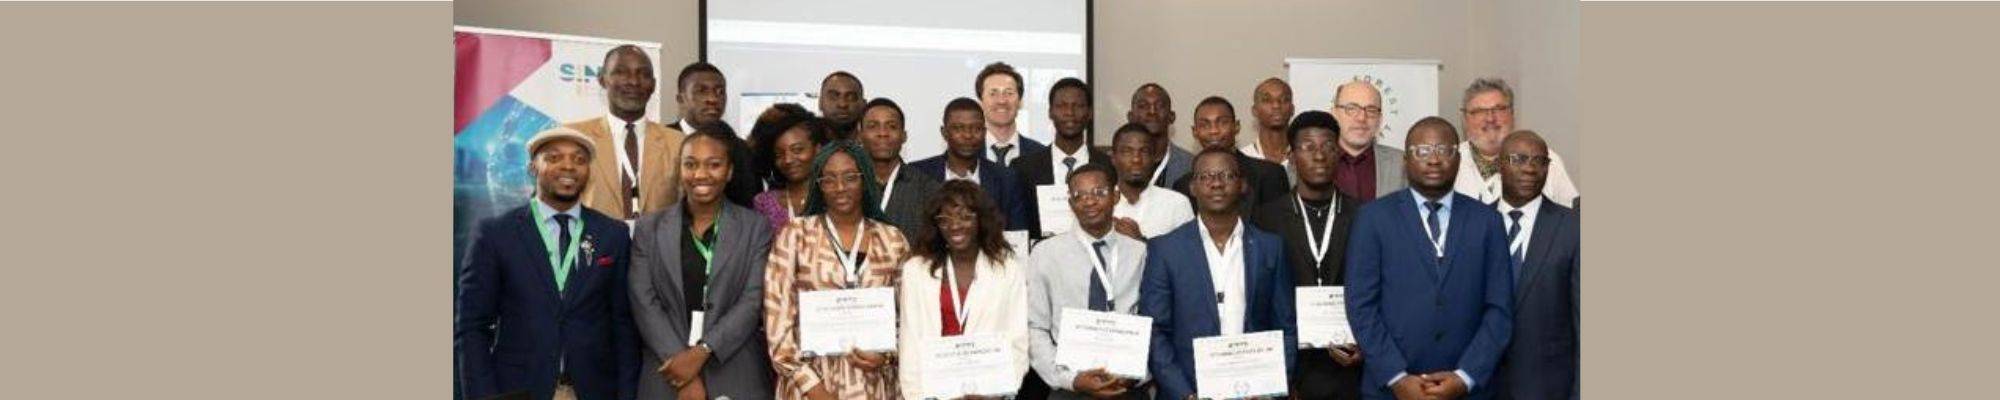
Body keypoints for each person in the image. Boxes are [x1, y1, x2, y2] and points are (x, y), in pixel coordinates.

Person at [457, 127, 637, 400]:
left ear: (589, 170)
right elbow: (472, 327)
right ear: (533, 167)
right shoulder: (495, 234)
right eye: (554, 158)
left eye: (579, 159)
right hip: (519, 389)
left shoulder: (613, 234)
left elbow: (623, 324)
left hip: (595, 389)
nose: (568, 166)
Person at [1345, 117, 1513, 400]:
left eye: (1444, 151)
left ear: (1458, 159)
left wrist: (1466, 377)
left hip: (1467, 390)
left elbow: (1500, 310)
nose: (1434, 160)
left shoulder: (1488, 221)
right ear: (1405, 160)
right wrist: (1396, 378)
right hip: (1391, 390)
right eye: (1422, 151)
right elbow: (1361, 306)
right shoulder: (1373, 218)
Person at [1140, 149, 1299, 400]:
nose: (1216, 183)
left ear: (1242, 184)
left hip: (1255, 392)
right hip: (1189, 392)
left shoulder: (1271, 247)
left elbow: (1286, 326)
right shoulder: (1165, 249)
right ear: (1192, 187)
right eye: (1206, 176)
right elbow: (1155, 330)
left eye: (1226, 175)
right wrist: (1184, 393)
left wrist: (1273, 387)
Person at [629, 131, 776, 400]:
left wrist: (703, 351)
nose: (701, 174)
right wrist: (682, 368)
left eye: (714, 164)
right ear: (680, 169)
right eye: (691, 164)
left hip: (734, 368)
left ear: (729, 171)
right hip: (666, 371)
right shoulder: (649, 228)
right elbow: (643, 300)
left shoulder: (755, 227)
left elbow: (752, 300)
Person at [762, 140, 913, 399]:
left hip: (874, 384)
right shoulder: (795, 236)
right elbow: (777, 318)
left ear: (865, 180)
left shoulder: (892, 240)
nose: (840, 188)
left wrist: (887, 356)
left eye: (850, 178)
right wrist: (813, 388)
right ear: (818, 186)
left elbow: (909, 318)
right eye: (829, 179)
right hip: (809, 386)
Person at [1247, 111, 1364, 399]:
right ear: (1291, 154)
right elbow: (1259, 297)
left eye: (1327, 146)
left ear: (1339, 152)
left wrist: (1365, 344)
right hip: (1292, 369)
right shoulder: (1265, 218)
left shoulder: (1365, 215)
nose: (1319, 155)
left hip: (1352, 365)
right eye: (1308, 147)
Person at [897, 181, 1032, 399]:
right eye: (945, 219)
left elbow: (1017, 340)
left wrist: (993, 393)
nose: (955, 226)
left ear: (982, 220)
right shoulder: (916, 271)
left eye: (965, 217)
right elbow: (910, 343)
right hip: (933, 393)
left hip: (989, 392)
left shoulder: (1008, 270)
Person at [1027, 163, 1150, 400]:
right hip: (1069, 389)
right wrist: (1069, 379)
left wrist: (1137, 374)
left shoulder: (1140, 253)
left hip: (1128, 385)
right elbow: (1035, 327)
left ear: (1115, 196)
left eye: (1099, 193)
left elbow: (1156, 323)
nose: (1089, 201)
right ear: (1070, 203)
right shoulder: (1045, 254)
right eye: (1079, 195)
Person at [1489, 131, 1580, 400]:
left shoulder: (1573, 227)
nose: (1530, 168)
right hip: (1482, 386)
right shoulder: (1474, 224)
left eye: (1540, 161)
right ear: (1499, 165)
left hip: (1548, 387)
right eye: (1519, 159)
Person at [565, 45, 683, 221]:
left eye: (643, 74)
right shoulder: (574, 138)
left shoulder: (679, 143)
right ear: (602, 79)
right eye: (621, 72)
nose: (633, 82)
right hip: (594, 245)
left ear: (653, 85)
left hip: (656, 247)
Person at [910, 97, 1033, 232]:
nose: (968, 135)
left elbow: (1017, 237)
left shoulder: (1007, 179)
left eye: (976, 128)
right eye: (958, 128)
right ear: (944, 133)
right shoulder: (918, 174)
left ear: (985, 132)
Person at [1453, 78, 1579, 207]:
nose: (1490, 118)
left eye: (1499, 109)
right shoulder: (1449, 161)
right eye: (1479, 111)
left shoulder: (1547, 161)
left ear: (1512, 114)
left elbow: (1571, 216)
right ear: (1465, 119)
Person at [1012, 78, 1111, 237]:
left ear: (1090, 113)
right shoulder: (1023, 168)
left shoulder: (1108, 165)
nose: (1070, 113)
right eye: (1062, 106)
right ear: (1050, 112)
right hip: (1040, 257)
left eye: (1078, 106)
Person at [1172, 96, 1290, 215]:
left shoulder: (1270, 175)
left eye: (1222, 123)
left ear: (1236, 126)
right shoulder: (1183, 185)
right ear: (1194, 132)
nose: (1214, 131)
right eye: (1205, 125)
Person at [671, 62, 763, 208]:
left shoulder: (741, 149)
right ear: (680, 99)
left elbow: (750, 203)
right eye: (701, 91)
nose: (713, 99)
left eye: (720, 92)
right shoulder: (660, 142)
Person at [856, 97, 945, 237]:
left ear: (904, 136)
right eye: (873, 126)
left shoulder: (928, 189)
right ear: (860, 136)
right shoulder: (845, 185)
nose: (883, 133)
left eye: (891, 126)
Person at [1106, 122, 1194, 240]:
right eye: (1127, 151)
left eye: (1144, 151)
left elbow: (1187, 254)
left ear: (1154, 158)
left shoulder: (1176, 204)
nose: (1136, 159)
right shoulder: (1096, 203)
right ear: (1113, 158)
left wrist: (1141, 242)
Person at [751, 107, 830, 234]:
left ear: (818, 149)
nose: (788, 160)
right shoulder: (764, 203)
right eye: (779, 154)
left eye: (797, 150)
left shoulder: (836, 195)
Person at [1327, 80, 1407, 201]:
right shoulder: (1311, 161)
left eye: (1371, 110)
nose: (1361, 118)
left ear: (1380, 119)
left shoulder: (1402, 164)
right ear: (1334, 114)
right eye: (1352, 108)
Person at [976, 62, 1047, 166]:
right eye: (993, 94)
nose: (1001, 101)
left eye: (1009, 93)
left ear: (1019, 101)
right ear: (981, 102)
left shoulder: (1042, 155)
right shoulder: (965, 153)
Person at [1128, 83, 1192, 187]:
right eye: (1143, 106)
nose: (1152, 112)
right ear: (1130, 117)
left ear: (1172, 116)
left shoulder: (1190, 164)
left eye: (1160, 106)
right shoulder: (1114, 165)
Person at [1243, 78, 1297, 171]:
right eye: (1267, 100)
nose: (1276, 105)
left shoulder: (1302, 157)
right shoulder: (1243, 158)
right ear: (1254, 110)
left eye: (1284, 99)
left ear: (1292, 109)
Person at [818, 71, 865, 140]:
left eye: (851, 98)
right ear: (820, 102)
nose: (842, 104)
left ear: (863, 104)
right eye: (833, 97)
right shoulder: (803, 144)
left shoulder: (877, 145)